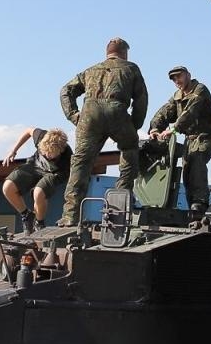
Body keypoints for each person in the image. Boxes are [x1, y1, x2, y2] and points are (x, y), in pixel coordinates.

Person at [59, 37, 148, 226]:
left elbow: (65, 90)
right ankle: (119, 206)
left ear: (107, 53)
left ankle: (70, 216)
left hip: (90, 114)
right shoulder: (131, 68)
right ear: (124, 53)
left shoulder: (91, 70)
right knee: (130, 150)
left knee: (80, 163)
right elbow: (141, 99)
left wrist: (74, 116)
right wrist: (135, 125)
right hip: (117, 111)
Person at [147, 65, 211, 214]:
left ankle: (200, 203)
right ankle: (193, 209)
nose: (176, 80)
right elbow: (164, 112)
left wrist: (173, 129)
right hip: (189, 140)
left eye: (179, 76)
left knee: (197, 163)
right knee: (187, 173)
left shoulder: (200, 90)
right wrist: (155, 128)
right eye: (173, 78)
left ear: (188, 75)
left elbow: (190, 112)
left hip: (204, 137)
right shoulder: (177, 96)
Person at [1, 126, 72, 234]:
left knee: (38, 192)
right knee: (8, 187)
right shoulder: (41, 136)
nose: (46, 154)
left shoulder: (67, 155)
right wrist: (13, 150)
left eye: (50, 154)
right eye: (44, 151)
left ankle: (39, 222)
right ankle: (26, 215)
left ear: (60, 151)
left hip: (54, 173)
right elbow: (28, 130)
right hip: (35, 165)